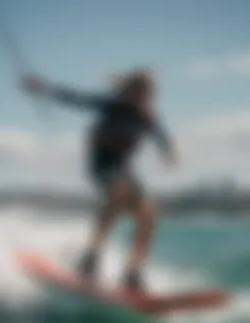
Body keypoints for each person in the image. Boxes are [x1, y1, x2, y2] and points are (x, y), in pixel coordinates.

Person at [21, 68, 178, 292]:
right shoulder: (113, 105)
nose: (146, 95)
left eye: (150, 91)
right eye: (142, 90)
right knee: (119, 192)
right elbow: (76, 99)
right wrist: (44, 88)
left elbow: (161, 135)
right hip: (102, 164)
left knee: (149, 213)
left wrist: (169, 151)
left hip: (124, 169)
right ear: (131, 89)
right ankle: (90, 257)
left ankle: (132, 272)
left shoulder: (147, 116)